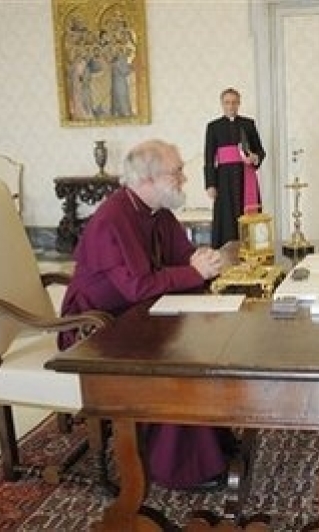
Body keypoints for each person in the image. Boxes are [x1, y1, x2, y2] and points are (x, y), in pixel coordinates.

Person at [58, 139, 234, 490]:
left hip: (140, 316)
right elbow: (136, 287)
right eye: (177, 171)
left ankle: (211, 448)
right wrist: (194, 273)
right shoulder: (112, 218)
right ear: (148, 178)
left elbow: (182, 255)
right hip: (96, 330)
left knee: (201, 347)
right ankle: (180, 468)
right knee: (173, 364)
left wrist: (205, 260)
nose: (184, 177)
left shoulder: (158, 213)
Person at [204, 87, 266, 248]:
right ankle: (226, 254)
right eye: (227, 103)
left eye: (234, 102)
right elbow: (209, 158)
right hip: (224, 180)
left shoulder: (248, 124)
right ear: (222, 104)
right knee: (226, 217)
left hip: (246, 177)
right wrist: (210, 184)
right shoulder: (213, 127)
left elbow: (260, 151)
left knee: (247, 214)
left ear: (239, 104)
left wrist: (255, 157)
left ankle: (251, 250)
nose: (231, 106)